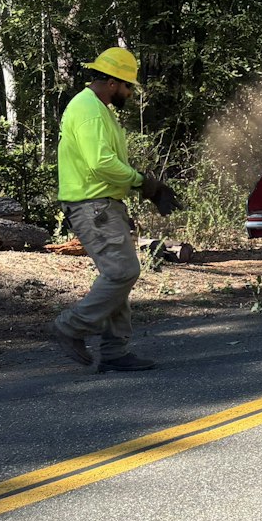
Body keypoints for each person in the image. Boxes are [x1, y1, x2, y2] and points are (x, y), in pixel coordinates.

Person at [51, 48, 180, 374]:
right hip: (92, 204)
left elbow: (106, 162)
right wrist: (143, 183)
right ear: (111, 82)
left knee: (117, 275)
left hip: (102, 203)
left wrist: (139, 188)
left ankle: (114, 350)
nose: (130, 93)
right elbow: (101, 163)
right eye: (128, 86)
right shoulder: (91, 111)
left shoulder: (96, 108)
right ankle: (71, 326)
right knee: (123, 273)